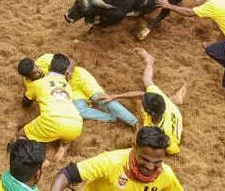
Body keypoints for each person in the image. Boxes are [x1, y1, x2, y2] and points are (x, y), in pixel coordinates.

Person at [99, 48, 186, 154]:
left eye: (144, 105)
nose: (142, 102)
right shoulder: (159, 100)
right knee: (147, 81)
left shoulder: (160, 133)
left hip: (170, 125)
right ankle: (150, 61)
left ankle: (175, 99)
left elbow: (174, 150)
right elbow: (141, 94)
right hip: (171, 109)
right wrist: (115, 96)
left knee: (138, 139)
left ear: (150, 113)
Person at [18, 53, 138, 127]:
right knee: (80, 111)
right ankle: (112, 118)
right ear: (28, 77)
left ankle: (134, 122)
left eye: (37, 67)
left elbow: (71, 60)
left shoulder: (44, 59)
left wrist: (69, 70)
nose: (38, 70)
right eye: (35, 73)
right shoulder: (30, 84)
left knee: (101, 98)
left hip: (79, 78)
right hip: (69, 91)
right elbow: (28, 100)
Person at [50, 126, 184, 190]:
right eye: (145, 159)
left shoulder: (166, 175)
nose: (150, 167)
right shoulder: (111, 162)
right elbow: (67, 174)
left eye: (157, 162)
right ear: (134, 147)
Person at [18, 54, 83, 161]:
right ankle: (64, 146)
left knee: (21, 134)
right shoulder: (67, 84)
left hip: (52, 121)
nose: (38, 71)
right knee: (68, 133)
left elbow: (25, 103)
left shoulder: (35, 84)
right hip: (77, 124)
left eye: (37, 68)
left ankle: (40, 161)